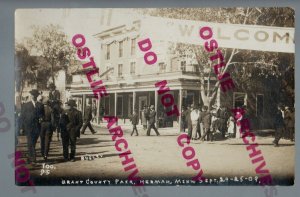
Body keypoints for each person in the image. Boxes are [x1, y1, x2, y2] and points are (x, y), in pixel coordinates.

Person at [20, 89, 44, 164]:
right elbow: (22, 117)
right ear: (31, 96)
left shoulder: (40, 105)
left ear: (37, 96)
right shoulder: (26, 105)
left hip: (37, 127)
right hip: (28, 127)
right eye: (32, 95)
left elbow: (43, 115)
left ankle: (29, 157)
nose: (33, 96)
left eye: (35, 95)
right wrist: (21, 127)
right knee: (30, 142)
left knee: (32, 143)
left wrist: (41, 118)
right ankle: (33, 159)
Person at [40, 96, 54, 161]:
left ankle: (42, 152)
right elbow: (52, 119)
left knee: (42, 139)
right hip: (48, 124)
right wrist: (53, 126)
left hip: (42, 125)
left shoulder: (40, 108)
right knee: (47, 140)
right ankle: (45, 154)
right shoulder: (50, 109)